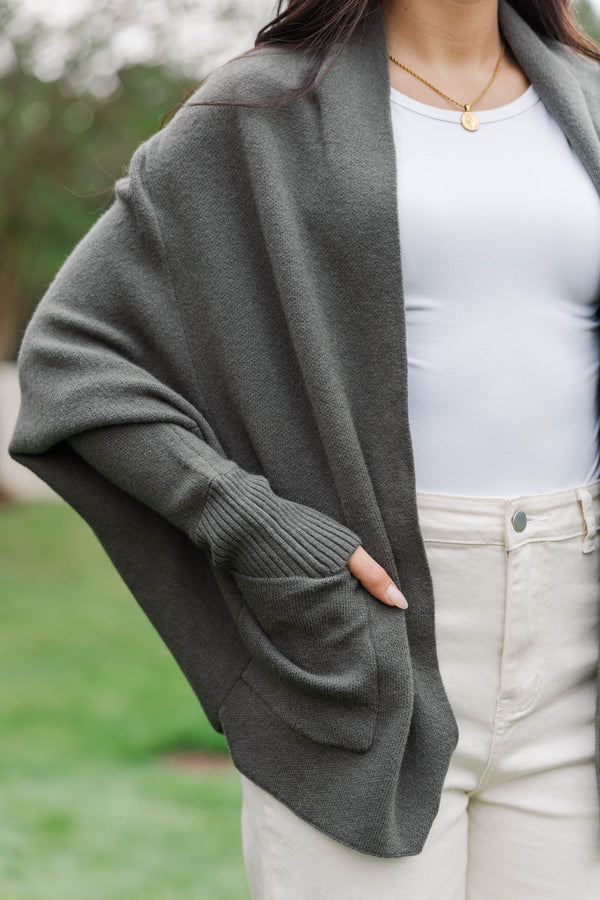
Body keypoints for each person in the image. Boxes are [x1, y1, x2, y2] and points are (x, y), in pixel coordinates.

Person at [9, 0, 600, 895]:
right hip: (367, 635)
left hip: (577, 648)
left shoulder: (587, 100)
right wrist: (254, 527)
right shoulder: (257, 110)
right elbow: (72, 360)